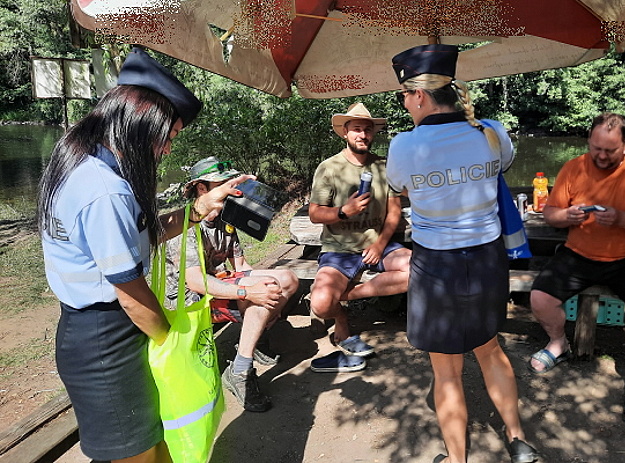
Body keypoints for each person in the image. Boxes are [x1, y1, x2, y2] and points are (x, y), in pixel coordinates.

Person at [37, 47, 247, 463]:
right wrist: (173, 346)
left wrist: (198, 210)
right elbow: (131, 294)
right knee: (142, 454)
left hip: (98, 330)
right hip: (107, 338)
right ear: (139, 125)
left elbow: (137, 236)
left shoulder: (88, 162)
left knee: (144, 447)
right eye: (166, 138)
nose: (167, 150)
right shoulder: (105, 190)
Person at [386, 44, 538, 463]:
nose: (404, 103)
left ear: (419, 94)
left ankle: (458, 461)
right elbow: (501, 167)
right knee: (490, 350)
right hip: (488, 260)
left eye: (404, 95)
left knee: (447, 370)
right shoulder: (491, 132)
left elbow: (401, 188)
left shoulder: (404, 146)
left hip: (438, 266)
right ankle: (518, 440)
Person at [528, 112, 625, 427]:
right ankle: (558, 343)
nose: (601, 156)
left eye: (609, 150)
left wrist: (622, 219)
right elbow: (550, 214)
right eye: (596, 148)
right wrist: (566, 216)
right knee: (540, 297)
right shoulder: (575, 167)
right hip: (579, 252)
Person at [165, 156, 299, 412]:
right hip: (189, 303)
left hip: (217, 286)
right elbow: (195, 282)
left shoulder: (226, 218)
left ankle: (255, 339)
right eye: (223, 183)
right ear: (202, 188)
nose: (231, 188)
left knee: (286, 280)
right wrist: (248, 290)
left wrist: (274, 296)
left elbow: (241, 267)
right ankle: (240, 371)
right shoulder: (184, 226)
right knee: (257, 294)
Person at [308, 102, 411, 372]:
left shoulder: (385, 167)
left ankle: (348, 295)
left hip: (379, 246)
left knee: (419, 270)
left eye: (367, 129)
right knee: (320, 305)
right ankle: (341, 321)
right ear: (345, 132)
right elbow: (315, 214)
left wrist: (379, 244)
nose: (362, 135)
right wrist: (344, 211)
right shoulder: (329, 168)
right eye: (356, 129)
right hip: (339, 249)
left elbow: (394, 212)